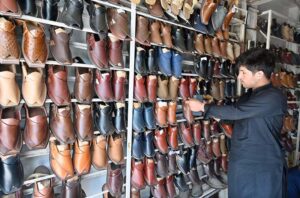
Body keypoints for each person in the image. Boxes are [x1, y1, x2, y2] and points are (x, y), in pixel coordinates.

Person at [188, 48, 287, 198]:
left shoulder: (273, 97)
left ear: (259, 74)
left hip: (263, 165)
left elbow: (237, 112)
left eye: (243, 73)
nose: (239, 77)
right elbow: (238, 118)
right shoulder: (248, 96)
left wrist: (203, 107)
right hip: (241, 161)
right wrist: (220, 116)